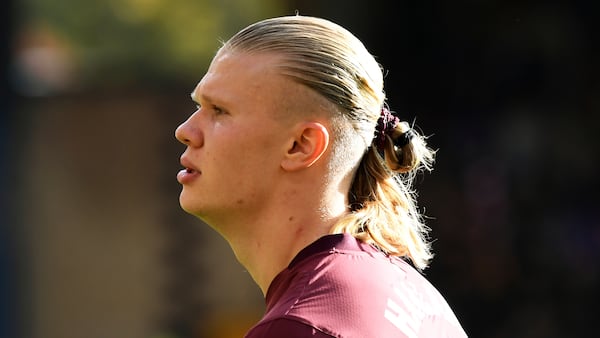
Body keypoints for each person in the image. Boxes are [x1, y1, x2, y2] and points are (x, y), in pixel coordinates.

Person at [175, 14, 467, 338]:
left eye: (219, 111)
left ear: (300, 146)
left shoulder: (299, 327)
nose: (185, 131)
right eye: (199, 106)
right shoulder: (416, 296)